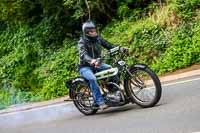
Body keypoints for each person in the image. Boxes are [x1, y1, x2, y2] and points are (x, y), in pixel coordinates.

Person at [77, 21, 128, 110]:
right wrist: (91, 60)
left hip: (97, 64)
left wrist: (120, 48)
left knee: (112, 70)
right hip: (85, 67)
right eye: (92, 31)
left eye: (94, 30)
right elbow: (83, 55)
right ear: (87, 32)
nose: (94, 32)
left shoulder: (98, 38)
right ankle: (100, 102)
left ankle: (114, 93)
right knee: (92, 78)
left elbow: (109, 45)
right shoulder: (82, 42)